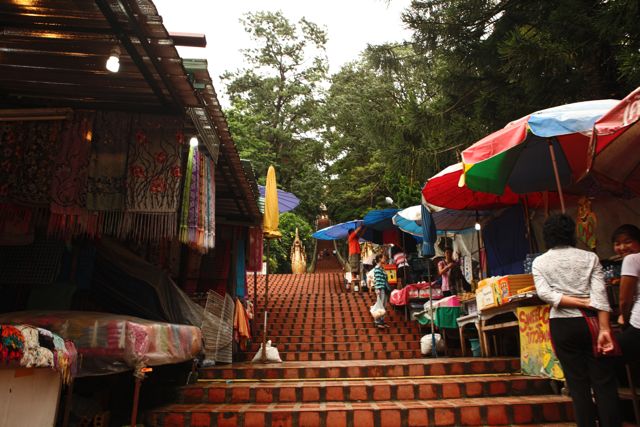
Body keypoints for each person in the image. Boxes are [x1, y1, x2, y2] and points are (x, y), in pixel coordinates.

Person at [532, 214, 620, 427]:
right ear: (572, 233)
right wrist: (604, 327)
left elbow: (546, 295)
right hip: (592, 324)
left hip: (562, 326)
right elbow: (600, 296)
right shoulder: (590, 258)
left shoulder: (539, 262)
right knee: (604, 382)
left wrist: (577, 302)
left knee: (576, 384)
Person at [612, 224, 640, 360]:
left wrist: (624, 318)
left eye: (627, 242)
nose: (622, 248)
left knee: (609, 356)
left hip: (638, 324)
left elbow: (624, 301)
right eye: (617, 244)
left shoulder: (632, 259)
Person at [372, 254, 392, 328]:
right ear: (380, 259)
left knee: (383, 305)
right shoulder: (377, 268)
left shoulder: (381, 268)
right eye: (383, 258)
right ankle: (377, 321)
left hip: (384, 289)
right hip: (381, 289)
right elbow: (377, 280)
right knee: (380, 305)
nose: (385, 259)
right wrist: (377, 289)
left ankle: (382, 321)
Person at [347, 225, 365, 290]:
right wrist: (361, 225)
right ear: (351, 233)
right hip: (353, 253)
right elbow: (357, 231)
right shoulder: (351, 237)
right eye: (353, 232)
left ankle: (356, 277)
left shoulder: (355, 238)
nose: (355, 233)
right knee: (354, 264)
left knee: (357, 265)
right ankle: (353, 277)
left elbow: (361, 234)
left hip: (357, 253)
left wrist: (364, 228)